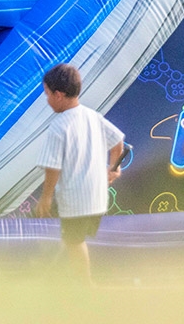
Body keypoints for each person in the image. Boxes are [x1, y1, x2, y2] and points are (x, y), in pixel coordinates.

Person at [35, 64, 125, 282]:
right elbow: (118, 141)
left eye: (47, 95)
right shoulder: (93, 116)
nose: (47, 100)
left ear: (58, 95)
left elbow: (53, 167)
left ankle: (85, 285)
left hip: (75, 200)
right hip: (97, 198)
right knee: (71, 237)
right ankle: (52, 271)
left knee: (75, 242)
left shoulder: (58, 126)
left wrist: (46, 197)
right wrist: (114, 168)